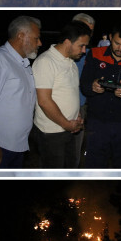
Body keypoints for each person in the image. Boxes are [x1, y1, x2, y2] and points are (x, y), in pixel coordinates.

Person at [0, 15, 42, 169]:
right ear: (21, 35)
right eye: (36, 38)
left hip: (17, 146)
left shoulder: (23, 64)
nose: (40, 43)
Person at [80, 23, 121, 168]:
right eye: (116, 43)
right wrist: (93, 86)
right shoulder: (95, 54)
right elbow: (83, 85)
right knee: (94, 166)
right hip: (97, 124)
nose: (120, 48)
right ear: (110, 37)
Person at [32, 21, 91, 168]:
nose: (84, 50)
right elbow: (44, 101)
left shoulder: (71, 62)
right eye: (81, 46)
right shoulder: (46, 62)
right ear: (67, 42)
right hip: (52, 133)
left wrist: (76, 116)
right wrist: (66, 124)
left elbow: (70, 93)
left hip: (70, 129)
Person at [72, 13, 95, 167]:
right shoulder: (61, 55)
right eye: (85, 29)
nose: (89, 34)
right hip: (64, 107)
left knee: (76, 150)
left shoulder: (89, 53)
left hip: (83, 106)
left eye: (91, 31)